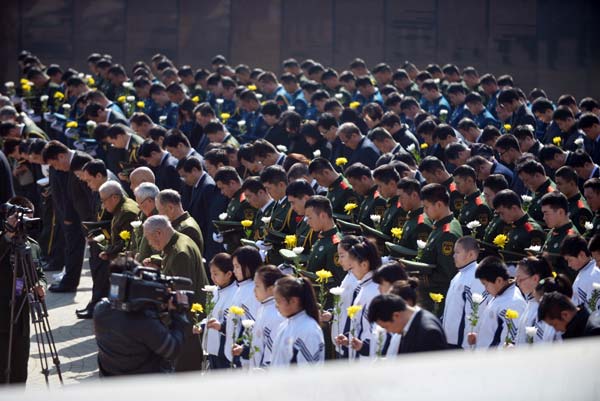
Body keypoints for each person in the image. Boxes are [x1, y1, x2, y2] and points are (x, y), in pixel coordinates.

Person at [93, 258, 191, 376]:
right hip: (143, 386)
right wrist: (178, 315)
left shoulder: (100, 309)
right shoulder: (144, 321)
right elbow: (172, 349)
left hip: (110, 381)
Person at [142, 215, 208, 371]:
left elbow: (182, 295)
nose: (150, 244)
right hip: (188, 322)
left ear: (159, 233)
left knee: (185, 373)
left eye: (150, 239)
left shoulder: (180, 253)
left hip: (187, 324)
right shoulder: (179, 241)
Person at [0, 196, 45, 384]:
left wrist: (41, 285)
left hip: (22, 315)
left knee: (20, 368)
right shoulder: (3, 240)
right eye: (23, 219)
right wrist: (7, 235)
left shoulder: (32, 245)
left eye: (31, 218)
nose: (27, 223)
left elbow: (39, 273)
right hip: (2, 317)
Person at [334, 236, 381, 359]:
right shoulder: (364, 287)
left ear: (364, 264)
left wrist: (362, 346)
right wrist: (348, 340)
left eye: (353, 266)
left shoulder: (374, 291)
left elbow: (374, 333)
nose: (351, 269)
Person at [418, 183, 463, 312]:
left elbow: (447, 273)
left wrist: (421, 278)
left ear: (438, 205)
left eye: (426, 207)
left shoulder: (447, 233)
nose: (425, 211)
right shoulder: (439, 226)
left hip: (438, 298)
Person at [232, 265, 285, 367]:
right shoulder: (264, 308)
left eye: (257, 286)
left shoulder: (275, 314)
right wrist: (244, 350)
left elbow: (272, 353)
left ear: (271, 289)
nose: (254, 290)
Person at [470, 256, 526, 348]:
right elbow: (494, 331)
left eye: (485, 284)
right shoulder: (499, 294)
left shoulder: (513, 303)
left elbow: (509, 342)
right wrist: (478, 338)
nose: (485, 289)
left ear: (499, 280)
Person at [442, 236, 488, 349]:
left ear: (471, 254)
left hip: (462, 344)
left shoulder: (476, 277)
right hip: (450, 341)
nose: (453, 256)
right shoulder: (459, 275)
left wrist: (468, 346)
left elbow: (475, 312)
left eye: (457, 252)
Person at [270, 276, 325, 366]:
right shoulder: (284, 325)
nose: (276, 306)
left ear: (293, 301)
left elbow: (307, 373)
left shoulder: (309, 330)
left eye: (278, 301)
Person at [367, 293, 447, 354]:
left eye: (386, 327)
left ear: (396, 315)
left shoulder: (427, 332)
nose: (388, 331)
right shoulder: (412, 324)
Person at [201, 253, 237, 370]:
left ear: (228, 274)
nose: (212, 277)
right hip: (212, 346)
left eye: (216, 274)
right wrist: (201, 325)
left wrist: (220, 326)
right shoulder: (217, 290)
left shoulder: (235, 293)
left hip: (223, 347)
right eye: (211, 273)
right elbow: (212, 314)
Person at [513, 258, 556, 345]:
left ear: (535, 278)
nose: (517, 283)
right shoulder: (531, 301)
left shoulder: (544, 307)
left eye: (520, 279)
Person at [560, 235, 600, 311]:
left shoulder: (594, 275)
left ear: (581, 254)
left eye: (570, 260)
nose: (569, 264)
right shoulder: (586, 270)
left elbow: (593, 310)